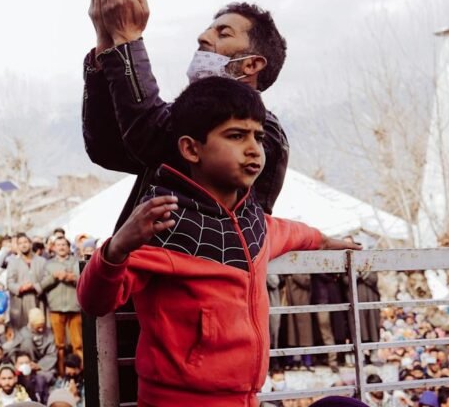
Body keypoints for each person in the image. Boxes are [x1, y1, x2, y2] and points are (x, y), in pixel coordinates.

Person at [77, 77, 361, 406]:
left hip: (246, 398)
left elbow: (289, 232)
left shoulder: (253, 223)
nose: (253, 149)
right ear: (191, 149)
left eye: (258, 136)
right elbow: (94, 301)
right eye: (236, 135)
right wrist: (117, 249)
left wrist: (324, 240)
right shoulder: (163, 224)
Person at [83, 0, 290, 215]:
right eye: (207, 30)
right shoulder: (181, 118)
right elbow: (107, 150)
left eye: (223, 34)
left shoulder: (266, 133)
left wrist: (127, 39)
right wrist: (106, 44)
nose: (203, 38)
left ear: (252, 65)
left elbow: (151, 135)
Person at [39, 236, 82, 372]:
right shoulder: (49, 264)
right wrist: (54, 277)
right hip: (56, 308)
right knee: (59, 345)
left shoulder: (77, 262)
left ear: (68, 247)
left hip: (74, 307)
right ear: (54, 248)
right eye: (58, 245)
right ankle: (62, 372)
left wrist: (72, 278)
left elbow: (84, 280)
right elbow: (42, 285)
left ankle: (81, 372)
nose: (61, 247)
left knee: (78, 343)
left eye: (64, 245)